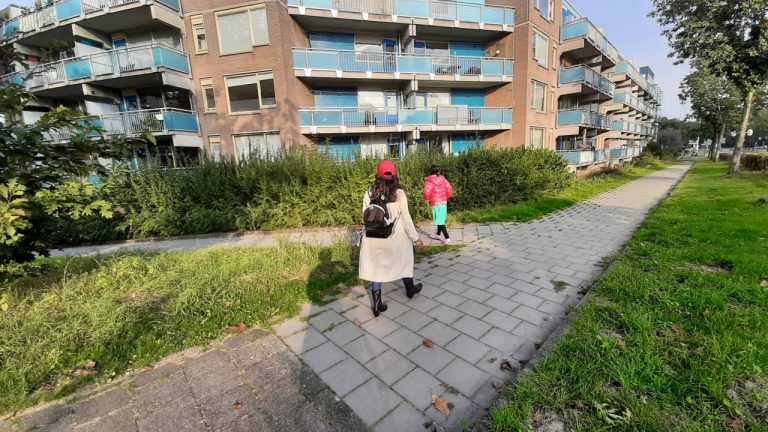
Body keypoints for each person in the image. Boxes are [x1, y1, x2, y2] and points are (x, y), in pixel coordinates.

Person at [359, 160, 425, 317]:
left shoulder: (369, 192)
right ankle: (410, 289)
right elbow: (407, 219)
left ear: (378, 175)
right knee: (407, 258)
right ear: (394, 175)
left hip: (374, 237)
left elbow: (366, 215)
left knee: (376, 269)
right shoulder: (399, 193)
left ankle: (376, 305)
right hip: (396, 239)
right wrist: (416, 238)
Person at [422, 164, 454, 244]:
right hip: (443, 202)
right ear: (438, 171)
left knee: (440, 221)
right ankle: (437, 235)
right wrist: (446, 197)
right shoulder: (444, 180)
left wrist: (427, 199)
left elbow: (426, 191)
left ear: (431, 171)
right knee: (440, 219)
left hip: (435, 203)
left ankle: (447, 238)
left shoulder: (429, 181)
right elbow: (449, 189)